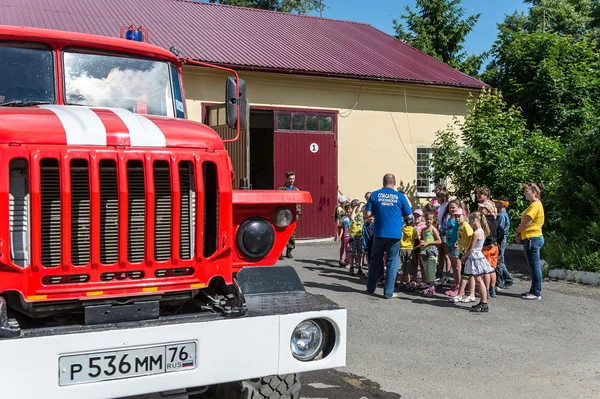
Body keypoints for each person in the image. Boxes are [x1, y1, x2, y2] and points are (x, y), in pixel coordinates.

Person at [365, 173, 413, 299]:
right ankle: (388, 292)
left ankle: (370, 288)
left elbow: (368, 214)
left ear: (383, 182)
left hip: (379, 233)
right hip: (394, 234)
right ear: (394, 183)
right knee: (392, 262)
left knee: (375, 261)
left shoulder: (375, 194)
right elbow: (409, 216)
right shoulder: (400, 196)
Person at [515, 183, 545, 300]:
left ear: (533, 192)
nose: (524, 194)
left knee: (535, 266)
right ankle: (533, 290)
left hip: (532, 237)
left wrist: (517, 232)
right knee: (533, 266)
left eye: (526, 191)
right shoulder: (535, 205)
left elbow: (526, 223)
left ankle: (536, 292)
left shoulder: (535, 205)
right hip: (532, 237)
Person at [460, 212, 494, 313]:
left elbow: (471, 248)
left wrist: (464, 256)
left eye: (470, 220)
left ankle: (484, 303)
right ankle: (482, 302)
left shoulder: (476, 233)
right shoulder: (481, 231)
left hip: (475, 257)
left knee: (479, 280)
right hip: (476, 256)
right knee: (478, 280)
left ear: (475, 220)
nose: (469, 223)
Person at [478, 201, 504, 298]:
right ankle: (493, 289)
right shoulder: (494, 220)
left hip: (487, 247)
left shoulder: (484, 221)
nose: (480, 210)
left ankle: (487, 290)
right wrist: (497, 241)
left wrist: (489, 240)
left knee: (486, 270)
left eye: (483, 208)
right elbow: (501, 231)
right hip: (495, 247)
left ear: (488, 210)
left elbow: (487, 233)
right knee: (492, 269)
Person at [493, 196, 514, 289]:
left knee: (499, 261)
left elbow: (499, 230)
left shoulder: (501, 215)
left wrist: (496, 241)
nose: (495, 204)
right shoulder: (501, 214)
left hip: (500, 240)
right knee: (500, 261)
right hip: (501, 240)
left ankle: (500, 282)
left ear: (502, 204)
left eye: (497, 202)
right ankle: (508, 279)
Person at [279, 171, 301, 259]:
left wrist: (298, 213)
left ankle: (289, 251)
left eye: (293, 179)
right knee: (281, 232)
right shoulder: (281, 189)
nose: (292, 180)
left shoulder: (296, 190)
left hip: (293, 214)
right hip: (283, 214)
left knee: (292, 233)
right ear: (287, 179)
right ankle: (280, 252)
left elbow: (299, 203)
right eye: (290, 179)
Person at [419, 212, 442, 297]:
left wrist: (428, 243)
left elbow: (439, 241)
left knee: (431, 269)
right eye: (427, 219)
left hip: (432, 251)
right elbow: (422, 239)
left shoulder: (433, 229)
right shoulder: (424, 230)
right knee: (426, 269)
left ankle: (432, 287)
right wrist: (421, 242)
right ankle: (429, 286)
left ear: (433, 219)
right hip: (425, 251)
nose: (428, 221)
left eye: (430, 219)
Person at [398, 215, 419, 290]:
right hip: (410, 249)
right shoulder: (413, 230)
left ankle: (400, 283)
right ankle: (408, 283)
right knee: (408, 268)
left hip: (401, 249)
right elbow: (416, 240)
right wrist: (417, 250)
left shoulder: (401, 229)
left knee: (401, 267)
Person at [349, 199, 365, 276]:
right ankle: (351, 268)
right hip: (353, 235)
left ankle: (360, 268)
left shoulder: (361, 213)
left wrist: (360, 206)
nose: (358, 207)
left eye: (358, 206)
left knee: (360, 252)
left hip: (360, 235)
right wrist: (354, 209)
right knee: (352, 252)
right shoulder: (351, 213)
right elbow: (351, 218)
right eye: (356, 206)